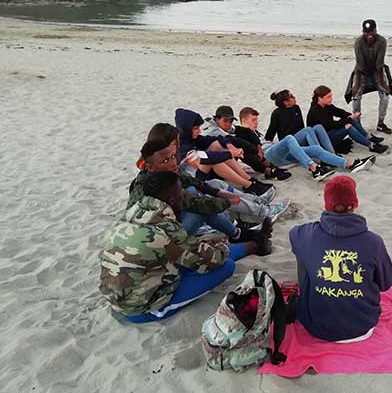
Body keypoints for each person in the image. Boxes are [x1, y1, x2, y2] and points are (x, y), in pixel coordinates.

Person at [100, 171, 273, 323]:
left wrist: (206, 247)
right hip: (141, 308)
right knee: (226, 266)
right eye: (182, 195)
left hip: (124, 293)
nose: (184, 197)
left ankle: (255, 245)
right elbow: (212, 261)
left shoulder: (134, 213)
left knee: (197, 255)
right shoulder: (165, 228)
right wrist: (220, 246)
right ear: (172, 200)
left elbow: (179, 251)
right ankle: (256, 245)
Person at [290, 176, 392, 342]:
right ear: (355, 204)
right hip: (363, 325)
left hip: (317, 326)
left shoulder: (304, 234)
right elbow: (386, 283)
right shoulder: (374, 241)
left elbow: (293, 233)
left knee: (303, 253)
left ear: (326, 205)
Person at [142, 123, 290, 226]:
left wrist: (222, 194)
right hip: (178, 218)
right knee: (207, 190)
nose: (176, 149)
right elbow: (190, 199)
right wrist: (227, 200)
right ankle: (262, 210)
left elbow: (192, 181)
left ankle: (255, 201)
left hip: (186, 200)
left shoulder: (169, 160)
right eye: (175, 144)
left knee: (215, 184)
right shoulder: (158, 171)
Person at [238, 107, 376, 180]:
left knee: (315, 148)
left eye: (256, 120)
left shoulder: (255, 132)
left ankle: (350, 164)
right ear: (244, 120)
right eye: (253, 120)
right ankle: (314, 168)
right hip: (268, 157)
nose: (256, 123)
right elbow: (246, 155)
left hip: (277, 152)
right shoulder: (241, 133)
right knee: (289, 138)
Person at [174, 108, 274, 198]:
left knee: (218, 145)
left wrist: (230, 147)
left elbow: (220, 139)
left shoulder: (192, 138)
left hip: (204, 171)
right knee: (212, 160)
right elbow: (205, 158)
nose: (199, 131)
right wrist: (230, 154)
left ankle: (250, 180)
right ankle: (249, 184)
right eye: (196, 128)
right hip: (194, 179)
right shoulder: (182, 145)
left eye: (230, 121)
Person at [202, 105, 291, 181]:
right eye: (225, 120)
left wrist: (258, 147)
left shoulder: (224, 125)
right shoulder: (211, 130)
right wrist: (255, 150)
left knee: (242, 134)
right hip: (213, 168)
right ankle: (267, 171)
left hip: (226, 160)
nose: (228, 124)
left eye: (231, 121)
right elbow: (233, 141)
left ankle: (269, 166)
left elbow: (247, 131)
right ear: (217, 119)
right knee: (240, 147)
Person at [344, 19, 392, 134]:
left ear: (376, 30)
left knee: (385, 95)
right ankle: (358, 124)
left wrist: (382, 83)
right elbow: (359, 64)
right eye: (366, 32)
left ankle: (381, 123)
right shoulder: (359, 42)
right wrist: (357, 84)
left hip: (377, 71)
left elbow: (380, 63)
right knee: (356, 96)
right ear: (363, 32)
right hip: (361, 71)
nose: (369, 35)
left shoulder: (382, 41)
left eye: (371, 32)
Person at [307, 85, 388, 154]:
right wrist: (349, 119)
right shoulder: (315, 110)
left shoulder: (326, 105)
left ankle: (368, 136)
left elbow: (339, 112)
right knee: (348, 126)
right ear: (320, 99)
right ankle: (371, 146)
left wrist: (351, 116)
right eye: (328, 97)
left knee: (350, 119)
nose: (331, 99)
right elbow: (331, 125)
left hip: (329, 132)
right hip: (323, 140)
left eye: (331, 96)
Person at [265, 90, 337, 153]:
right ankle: (321, 154)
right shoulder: (277, 113)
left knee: (318, 127)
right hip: (289, 141)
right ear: (286, 102)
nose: (294, 97)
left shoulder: (296, 108)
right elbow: (271, 130)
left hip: (300, 137)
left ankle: (331, 153)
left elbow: (301, 126)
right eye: (292, 97)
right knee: (308, 130)